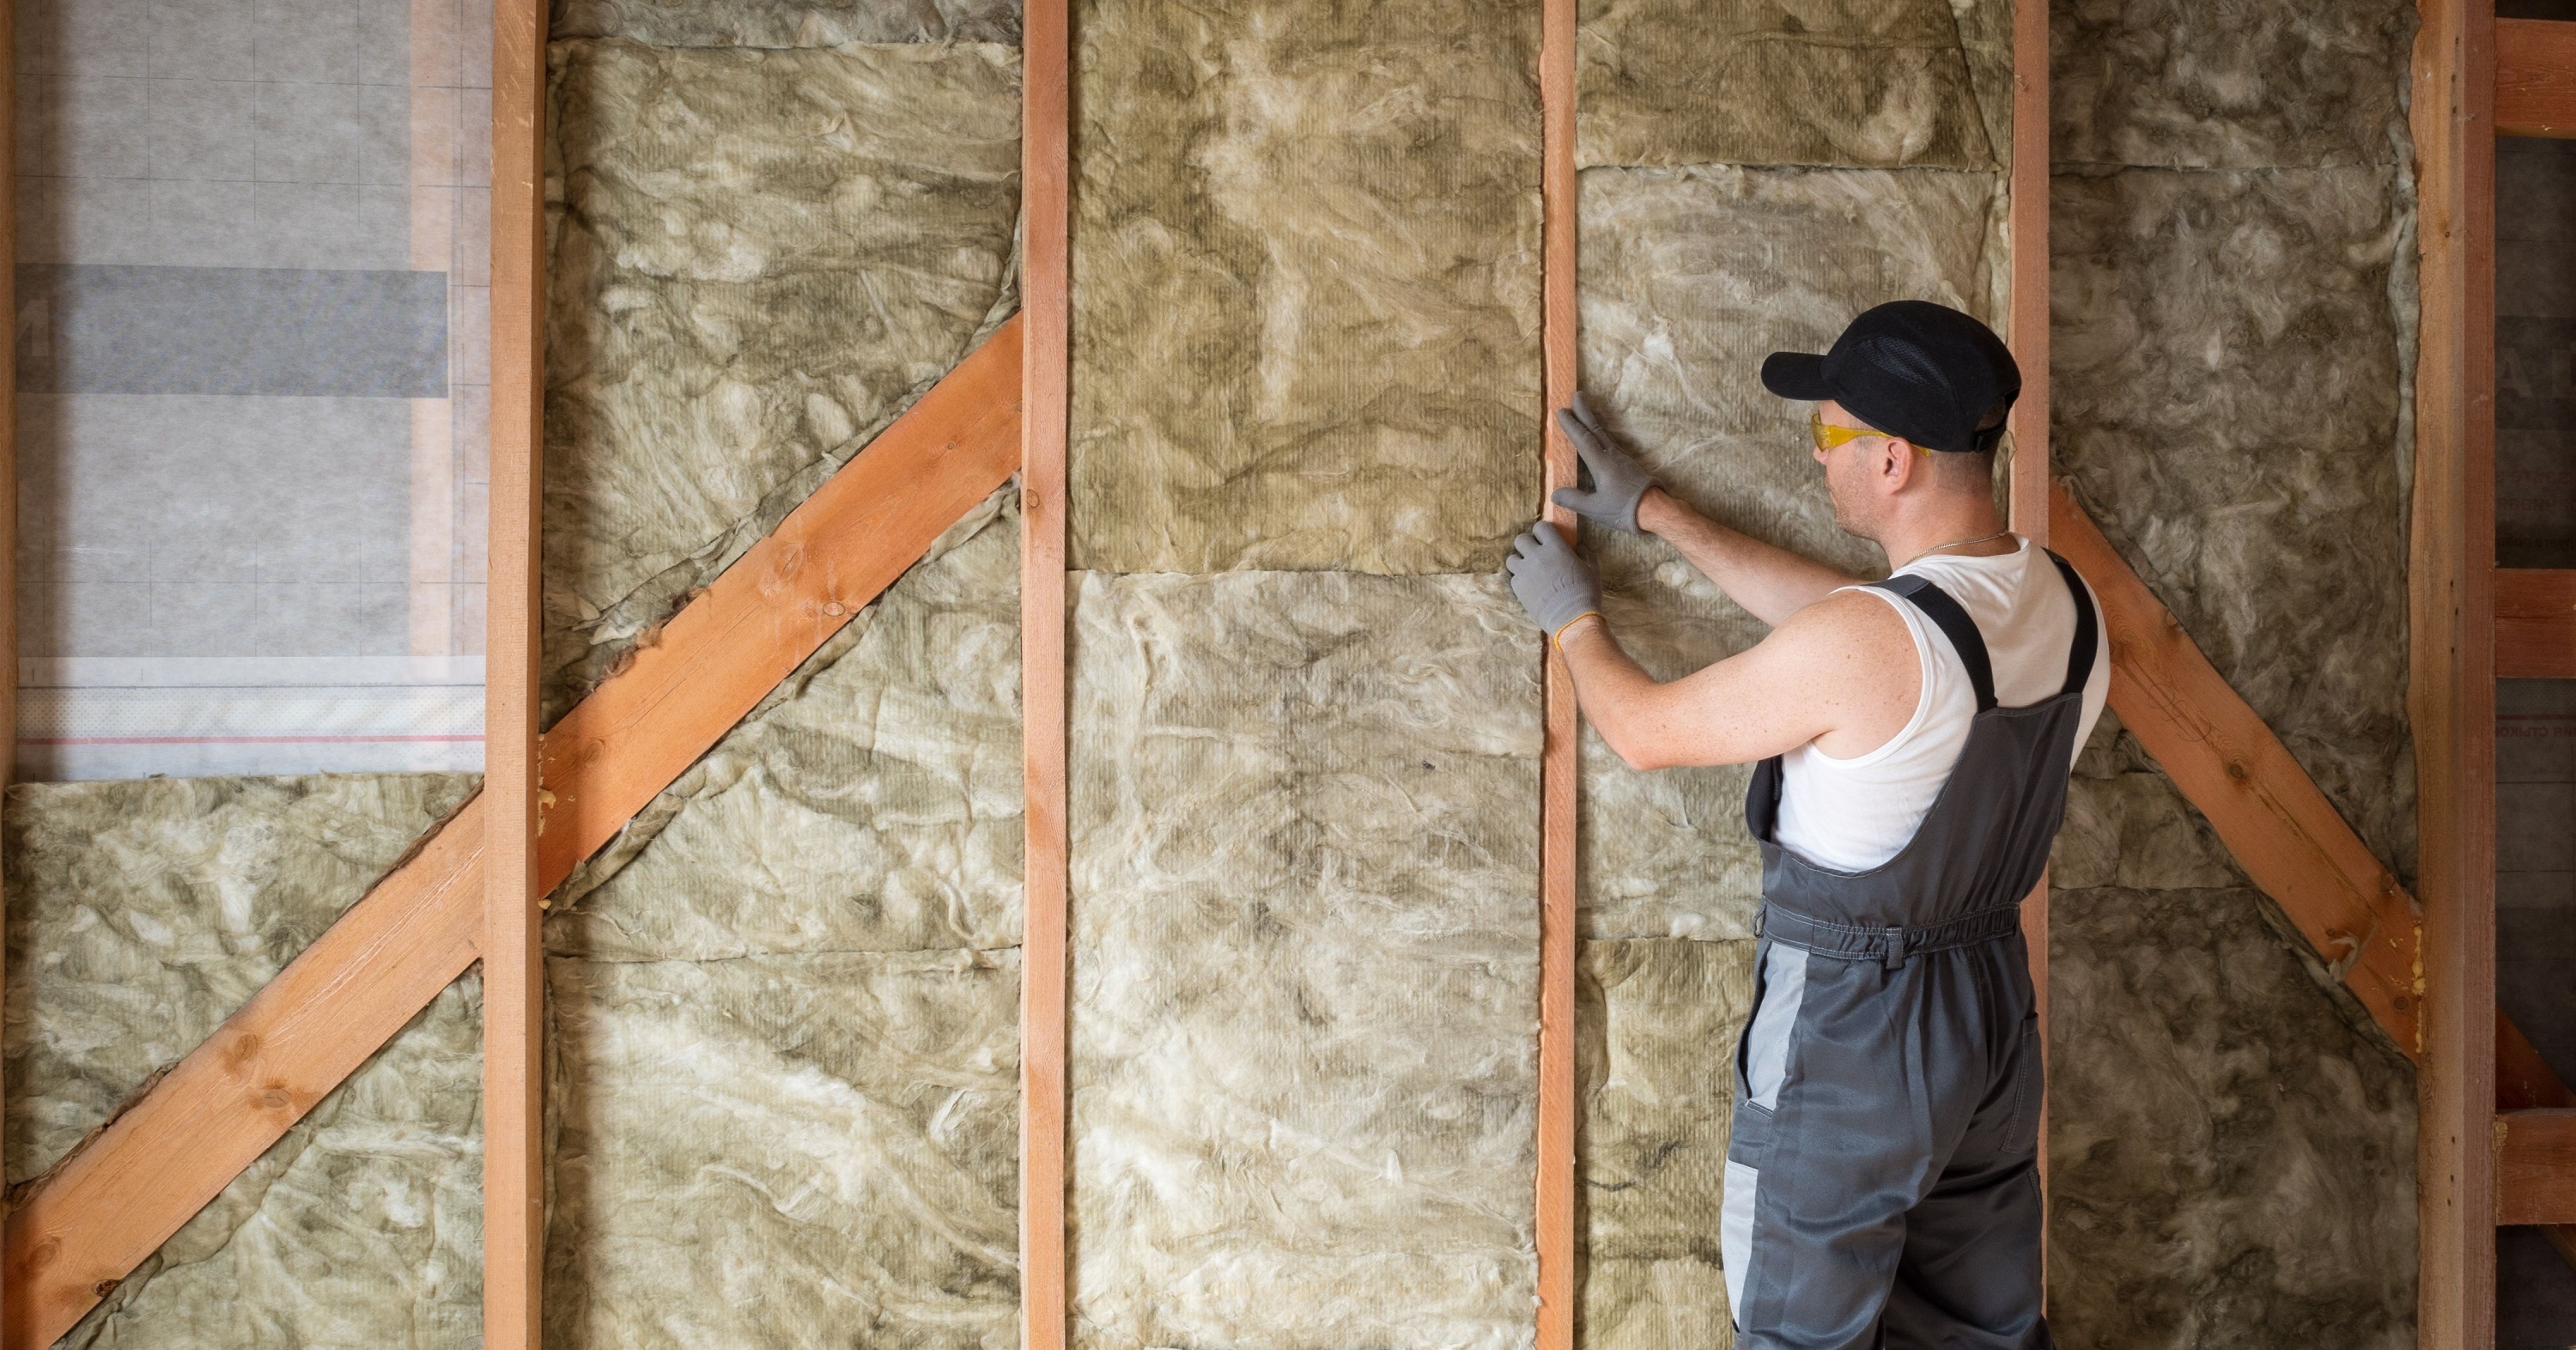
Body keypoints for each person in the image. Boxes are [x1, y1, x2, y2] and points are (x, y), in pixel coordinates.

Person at [1505, 300, 2106, 1349]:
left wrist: (1575, 621)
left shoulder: (1876, 642)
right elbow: (1865, 621)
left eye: (1828, 433)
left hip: (1852, 1032)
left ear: (1892, 464)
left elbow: (1645, 730)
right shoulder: (2059, 603)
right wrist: (1658, 514)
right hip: (1989, 1020)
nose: (1814, 452)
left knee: (1798, 1331)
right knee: (1978, 1331)